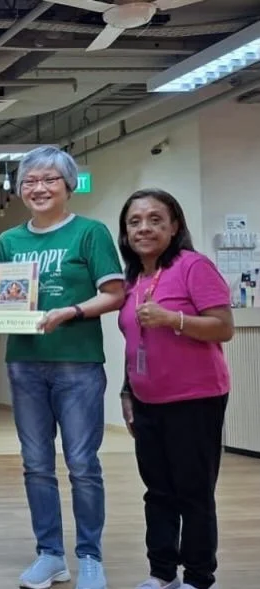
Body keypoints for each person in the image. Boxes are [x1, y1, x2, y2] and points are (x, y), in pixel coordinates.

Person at [0, 146, 125, 589]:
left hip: (78, 363)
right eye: (29, 181)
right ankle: (50, 554)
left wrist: (70, 310)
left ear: (68, 185)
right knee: (35, 464)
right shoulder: (9, 240)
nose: (39, 188)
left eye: (49, 179)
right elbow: (10, 296)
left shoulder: (91, 233)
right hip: (25, 363)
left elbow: (114, 294)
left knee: (82, 463)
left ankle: (90, 556)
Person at [116, 190, 233, 589]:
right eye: (135, 222)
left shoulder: (193, 267)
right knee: (158, 492)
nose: (144, 228)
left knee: (193, 492)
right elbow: (135, 343)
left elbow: (223, 328)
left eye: (155, 219)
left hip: (195, 400)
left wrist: (173, 318)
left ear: (174, 226)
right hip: (148, 401)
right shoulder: (135, 279)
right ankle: (162, 573)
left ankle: (199, 577)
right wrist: (127, 392)